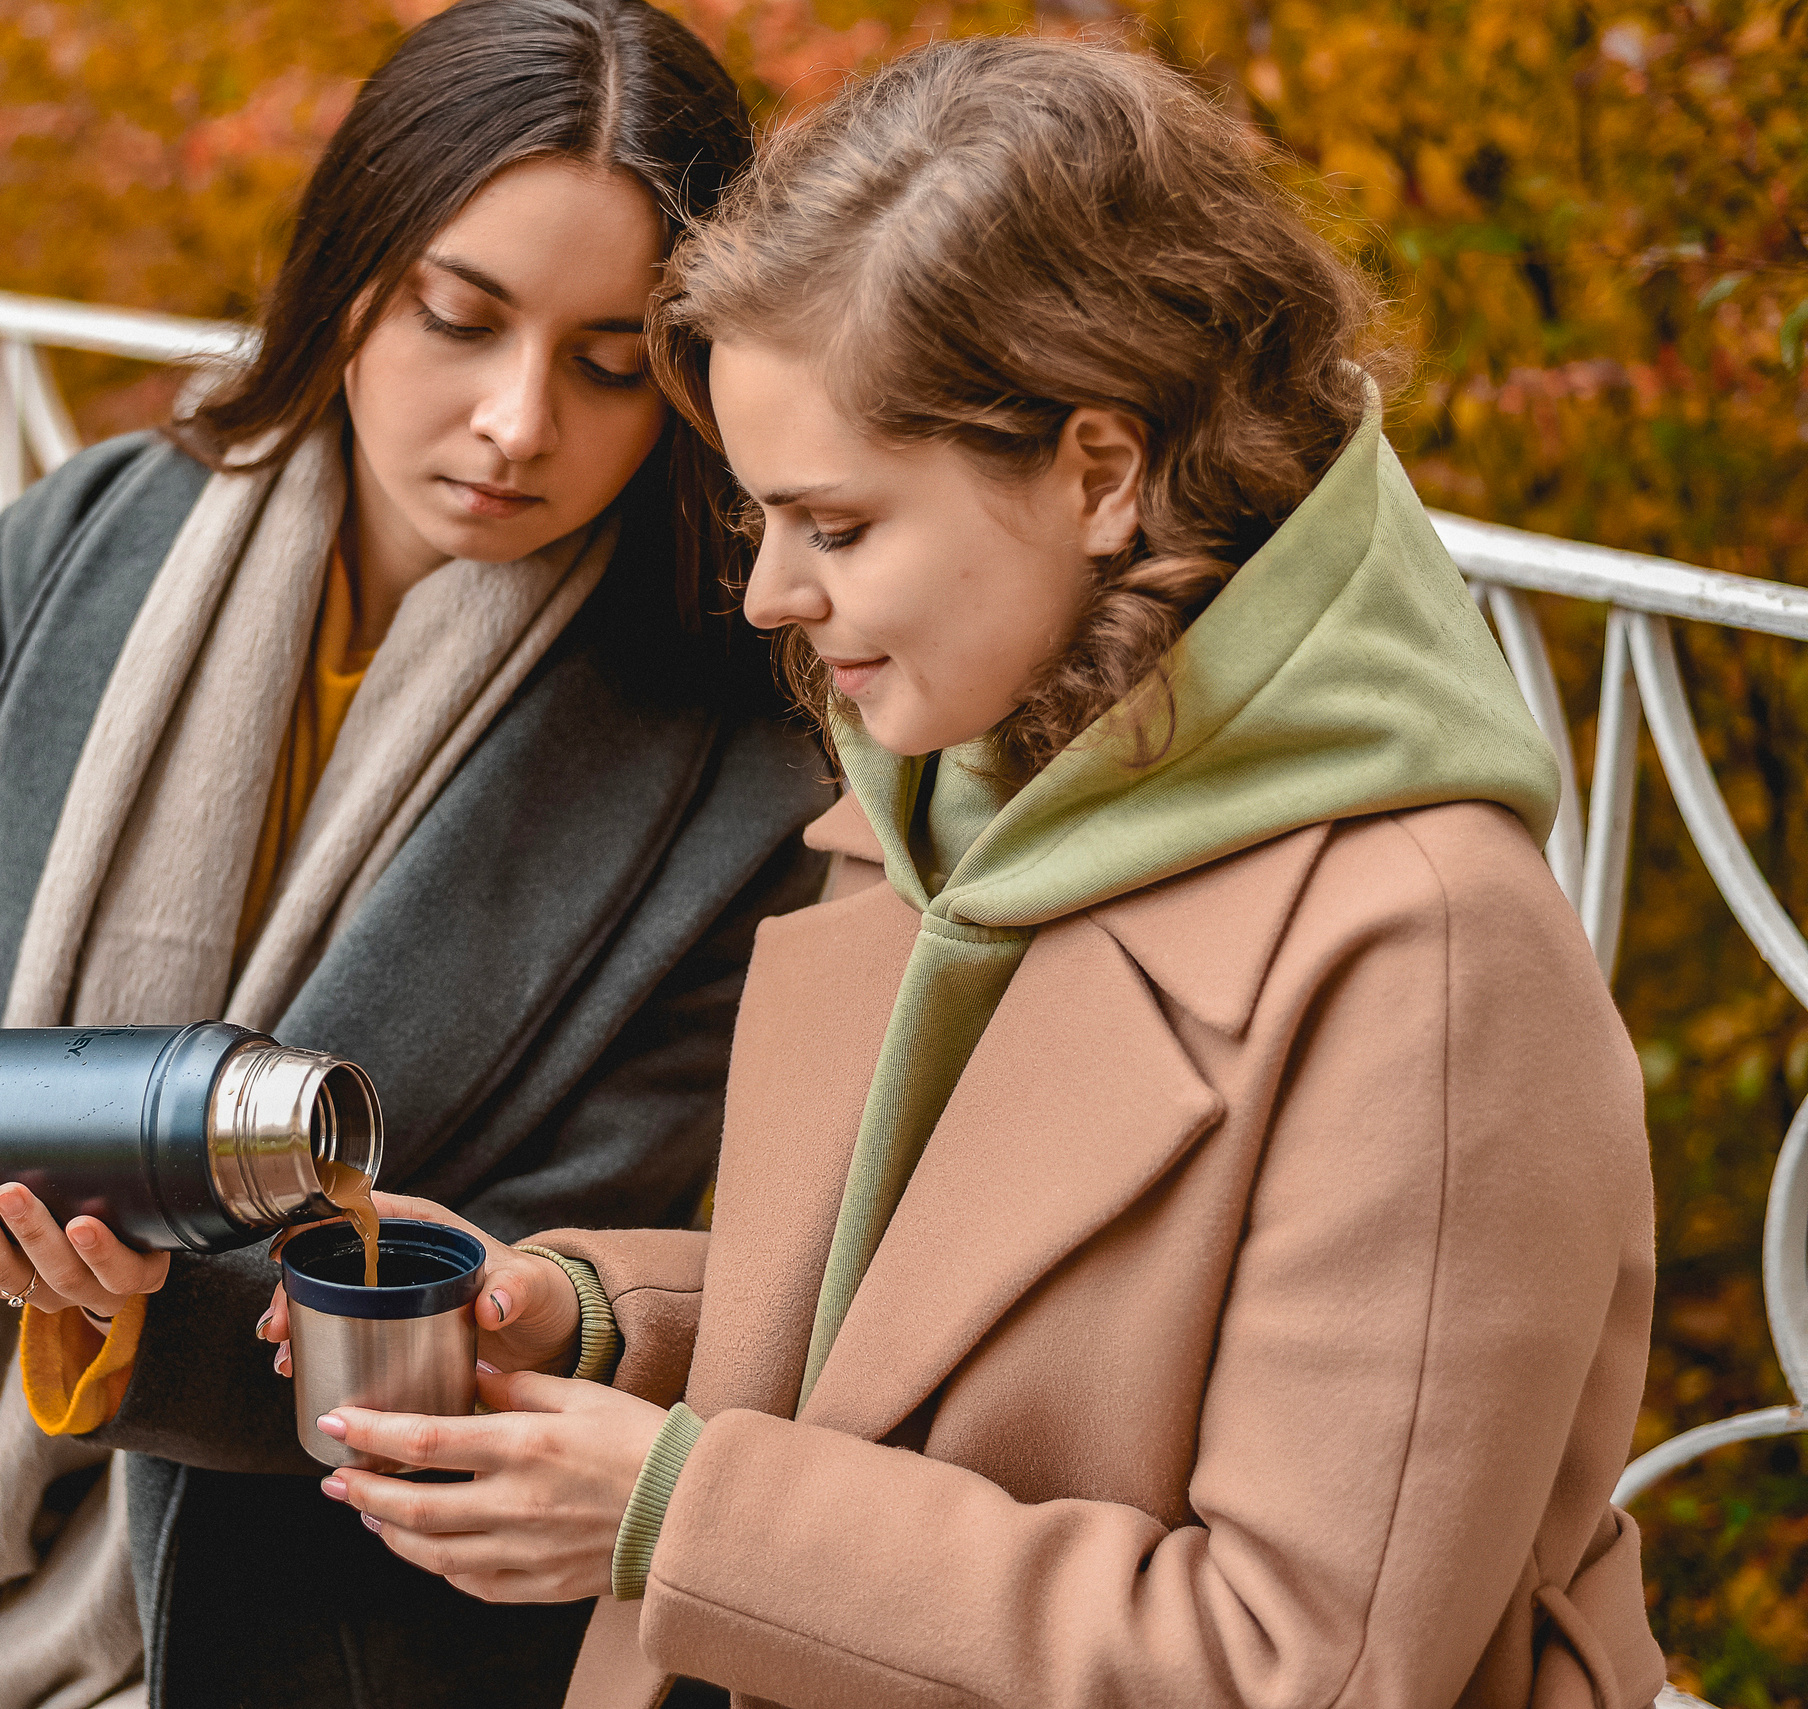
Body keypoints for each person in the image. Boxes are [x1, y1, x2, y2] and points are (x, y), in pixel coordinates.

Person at [276, 36, 1668, 1708]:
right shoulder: (973, 785)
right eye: (758, 517)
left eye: (837, 526)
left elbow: (1303, 1661)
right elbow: (941, 1317)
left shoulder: (1430, 954)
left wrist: (674, 1513)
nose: (769, 594)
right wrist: (580, 1312)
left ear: (1100, 470)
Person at [0, 3, 832, 1705]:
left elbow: (532, 1279)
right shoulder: (81, 542)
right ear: (350, 270)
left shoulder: (729, 765)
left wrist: (123, 1313)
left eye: (609, 362)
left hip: (305, 1600)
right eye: (458, 316)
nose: (514, 421)